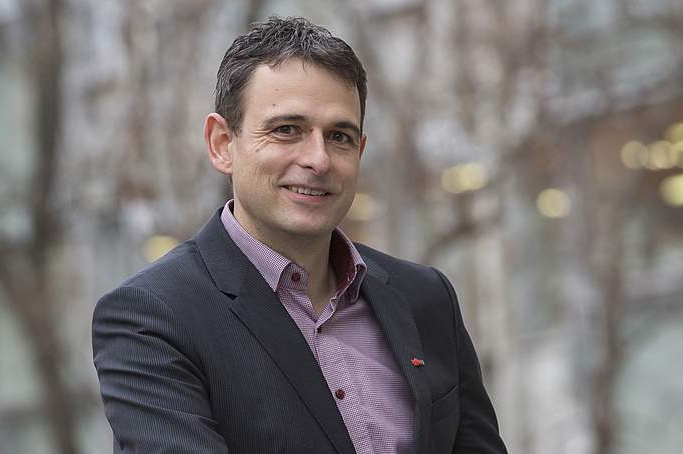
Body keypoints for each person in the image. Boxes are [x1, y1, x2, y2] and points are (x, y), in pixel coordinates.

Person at [92, 16, 507, 454]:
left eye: (339, 136)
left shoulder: (427, 299)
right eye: (286, 129)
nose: (319, 159)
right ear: (221, 143)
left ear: (360, 151)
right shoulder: (152, 317)